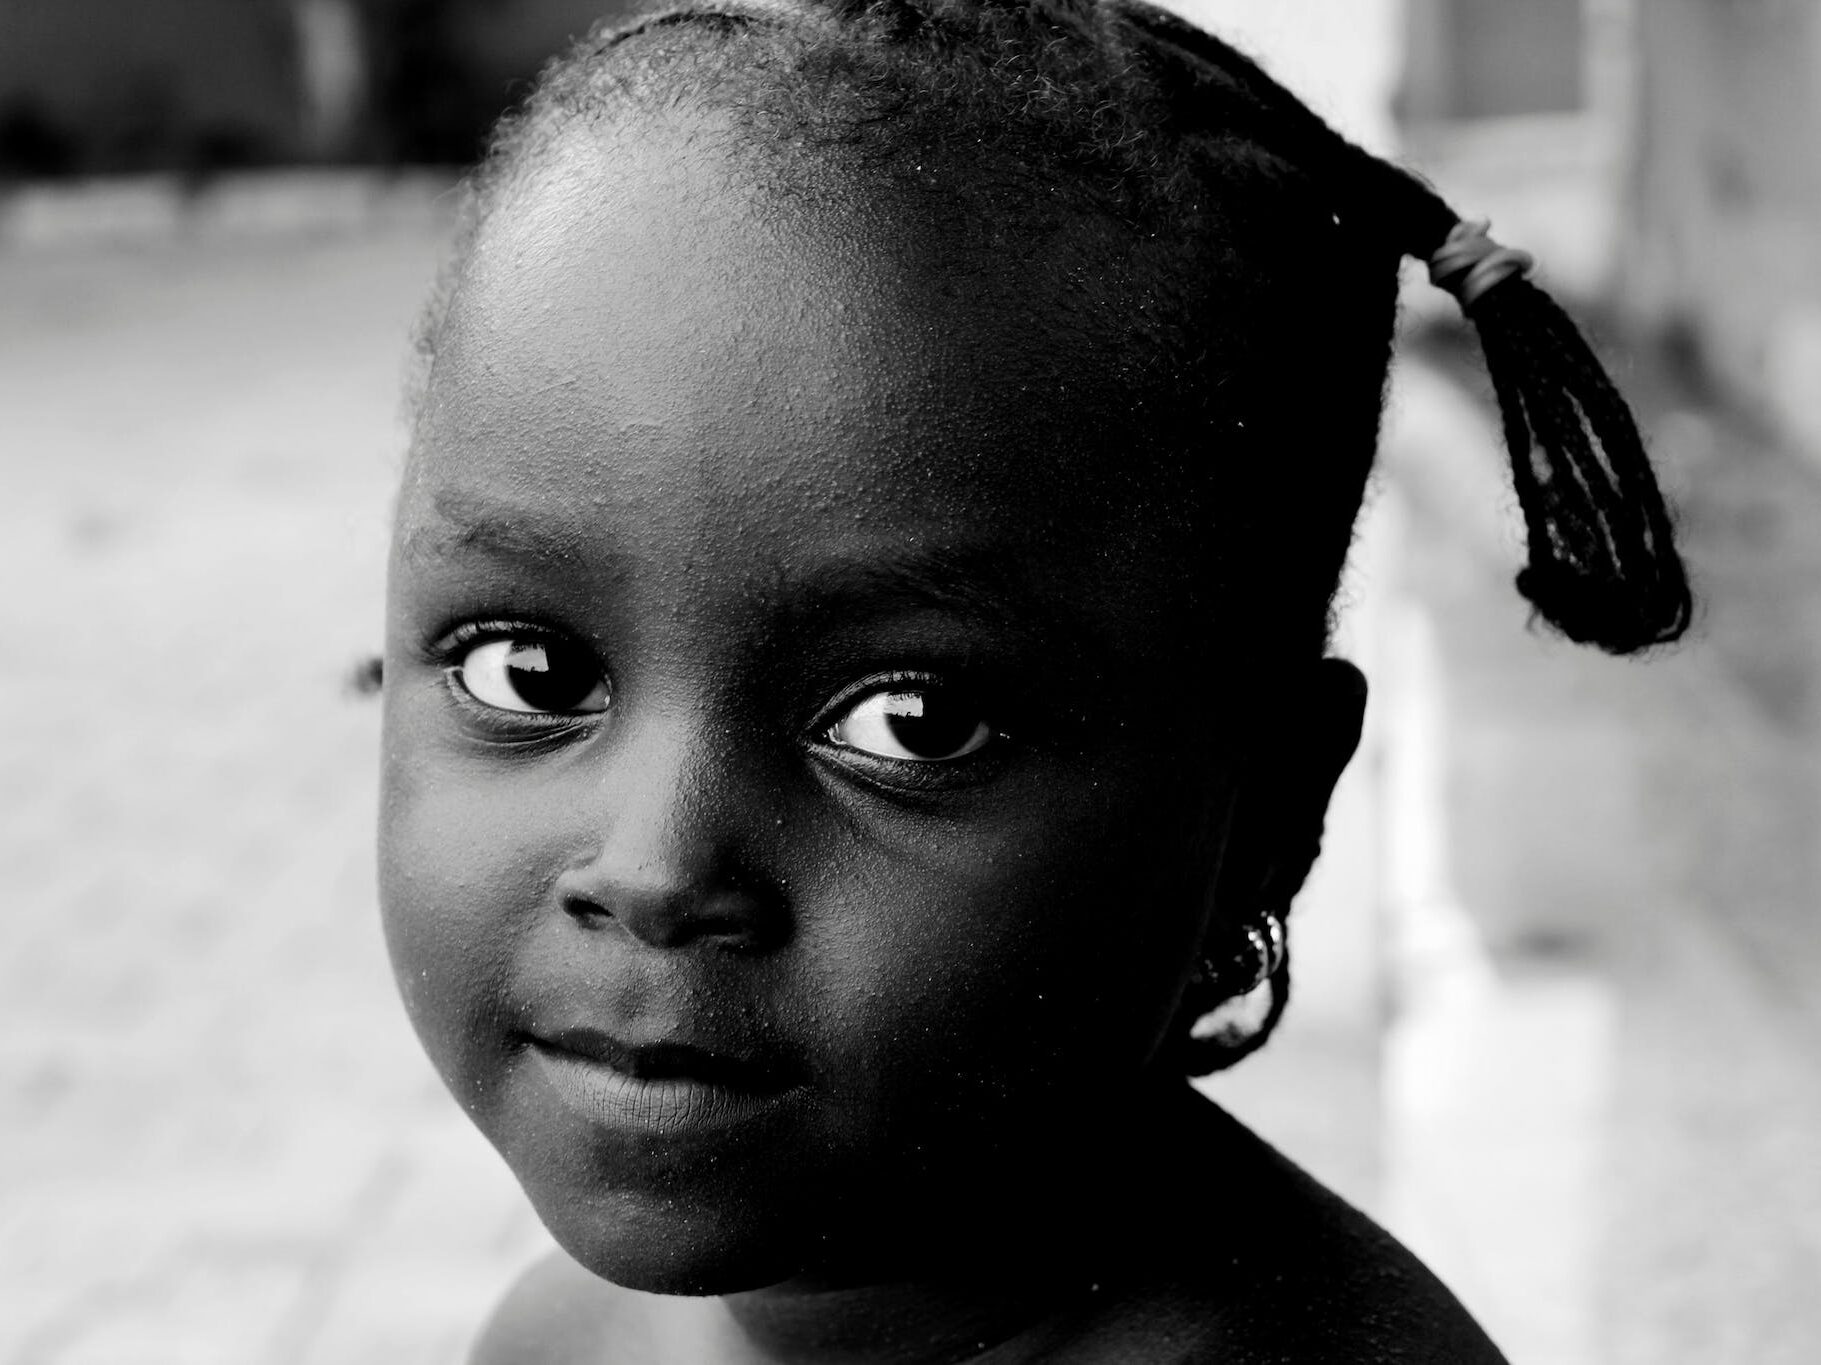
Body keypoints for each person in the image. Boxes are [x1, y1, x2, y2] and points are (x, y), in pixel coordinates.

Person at [375, 1, 1691, 1359]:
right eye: (527, 671)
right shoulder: (561, 1335)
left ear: (1266, 812)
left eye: (912, 722)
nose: (650, 868)